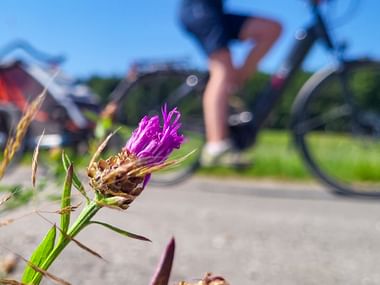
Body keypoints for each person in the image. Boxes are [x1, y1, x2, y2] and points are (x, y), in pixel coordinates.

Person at [179, 0, 282, 167]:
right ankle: (216, 146)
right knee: (222, 69)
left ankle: (233, 85)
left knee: (271, 29)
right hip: (198, 8)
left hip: (215, 11)